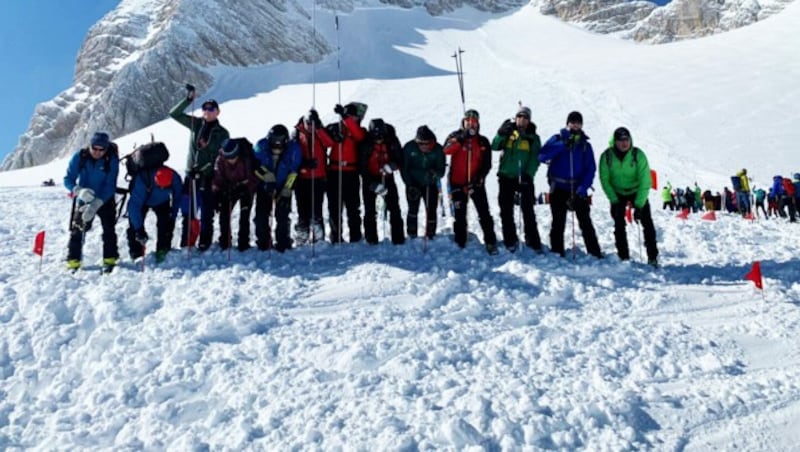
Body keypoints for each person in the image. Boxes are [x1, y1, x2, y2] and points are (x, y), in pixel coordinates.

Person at [169, 85, 230, 251]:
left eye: (211, 109)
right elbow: (174, 114)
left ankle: (205, 241)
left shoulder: (223, 133)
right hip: (191, 175)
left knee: (207, 212)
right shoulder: (195, 124)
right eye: (205, 108)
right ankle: (187, 241)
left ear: (217, 112)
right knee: (188, 210)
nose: (207, 111)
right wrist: (188, 100)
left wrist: (204, 168)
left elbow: (219, 155)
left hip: (209, 176)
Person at [538, 111, 602, 259]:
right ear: (567, 123)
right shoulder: (557, 139)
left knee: (586, 223)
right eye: (572, 121)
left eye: (578, 122)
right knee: (558, 223)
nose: (575, 124)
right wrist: (562, 145)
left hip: (578, 189)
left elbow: (590, 169)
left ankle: (594, 253)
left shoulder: (585, 145)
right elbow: (542, 156)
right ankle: (556, 252)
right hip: (559, 188)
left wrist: (581, 189)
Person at [598, 127, 659, 266]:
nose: (624, 143)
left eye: (626, 139)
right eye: (620, 140)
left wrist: (638, 205)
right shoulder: (606, 157)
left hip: (637, 191)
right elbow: (604, 180)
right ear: (615, 141)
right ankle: (623, 256)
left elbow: (645, 181)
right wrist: (614, 201)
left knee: (647, 224)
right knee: (619, 224)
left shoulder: (638, 155)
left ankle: (652, 257)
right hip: (617, 193)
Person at [63, 132, 120, 272]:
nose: (98, 152)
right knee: (77, 229)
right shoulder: (79, 157)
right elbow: (68, 179)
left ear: (106, 149)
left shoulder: (111, 159)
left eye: (102, 149)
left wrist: (97, 203)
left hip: (105, 199)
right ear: (90, 145)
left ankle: (110, 259)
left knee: (109, 229)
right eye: (95, 148)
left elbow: (110, 184)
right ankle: (73, 261)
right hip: (84, 198)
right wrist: (78, 191)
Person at [444, 109, 498, 254]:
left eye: (474, 122)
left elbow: (487, 164)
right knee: (460, 214)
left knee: (484, 213)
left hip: (475, 183)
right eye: (468, 121)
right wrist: (461, 138)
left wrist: (478, 179)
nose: (471, 124)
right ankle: (460, 241)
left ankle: (490, 241)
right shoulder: (455, 136)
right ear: (463, 122)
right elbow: (446, 150)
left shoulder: (482, 141)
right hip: (457, 183)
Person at [491, 105, 543, 252]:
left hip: (524, 178)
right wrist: (501, 133)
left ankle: (532, 240)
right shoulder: (509, 132)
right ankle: (510, 239)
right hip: (506, 176)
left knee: (528, 210)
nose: (522, 119)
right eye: (520, 116)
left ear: (529, 120)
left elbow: (535, 158)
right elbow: (494, 146)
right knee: (506, 210)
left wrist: (529, 175)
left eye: (525, 117)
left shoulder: (533, 137)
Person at [253, 125, 302, 252]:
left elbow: (294, 171)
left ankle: (283, 241)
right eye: (274, 142)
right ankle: (263, 241)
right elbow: (256, 165)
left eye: (280, 143)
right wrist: (268, 179)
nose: (277, 146)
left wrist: (286, 190)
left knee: (282, 215)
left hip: (284, 184)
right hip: (265, 184)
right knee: (262, 215)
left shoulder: (294, 149)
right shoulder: (261, 146)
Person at [359, 118, 405, 245]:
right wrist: (371, 184)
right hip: (370, 178)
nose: (379, 139)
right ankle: (371, 238)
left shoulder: (392, 141)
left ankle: (398, 238)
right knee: (369, 210)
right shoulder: (366, 144)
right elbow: (361, 166)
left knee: (394, 207)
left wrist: (393, 165)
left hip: (387, 177)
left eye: (381, 136)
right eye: (376, 136)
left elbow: (400, 159)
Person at [327, 102, 367, 243]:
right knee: (334, 207)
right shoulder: (335, 128)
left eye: (353, 116)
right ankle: (335, 236)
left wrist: (345, 117)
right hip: (333, 171)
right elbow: (325, 141)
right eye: (349, 115)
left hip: (351, 173)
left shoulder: (361, 131)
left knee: (353, 206)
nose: (351, 118)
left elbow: (359, 136)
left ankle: (355, 236)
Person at [126, 165, 183, 263]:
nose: (162, 188)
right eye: (160, 186)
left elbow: (177, 198)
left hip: (163, 201)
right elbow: (134, 208)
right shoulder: (143, 180)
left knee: (165, 224)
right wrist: (139, 229)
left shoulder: (175, 178)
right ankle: (136, 253)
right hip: (144, 200)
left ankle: (163, 249)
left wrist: (172, 216)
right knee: (134, 227)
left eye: (164, 187)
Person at [294, 109, 334, 244]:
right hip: (301, 178)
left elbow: (330, 143)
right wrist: (303, 164)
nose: (310, 126)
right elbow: (291, 154)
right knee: (302, 210)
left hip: (319, 177)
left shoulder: (320, 132)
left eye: (313, 123)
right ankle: (302, 236)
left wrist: (319, 130)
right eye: (308, 123)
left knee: (316, 210)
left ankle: (319, 237)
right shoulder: (296, 133)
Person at [212, 138, 259, 251]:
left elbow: (253, 177)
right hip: (229, 190)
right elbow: (217, 178)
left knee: (244, 215)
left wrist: (245, 187)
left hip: (246, 189)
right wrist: (217, 194)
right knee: (224, 214)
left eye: (233, 157)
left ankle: (243, 241)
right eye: (228, 157)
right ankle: (225, 240)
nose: (231, 160)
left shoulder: (247, 159)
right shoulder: (220, 160)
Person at [401, 125, 445, 239]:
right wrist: (409, 184)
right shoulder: (409, 147)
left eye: (427, 143)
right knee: (413, 208)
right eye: (421, 143)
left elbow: (442, 170)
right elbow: (404, 168)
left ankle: (430, 233)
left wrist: (435, 174)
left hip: (430, 184)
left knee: (431, 209)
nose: (424, 146)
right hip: (413, 183)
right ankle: (411, 233)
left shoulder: (438, 149)